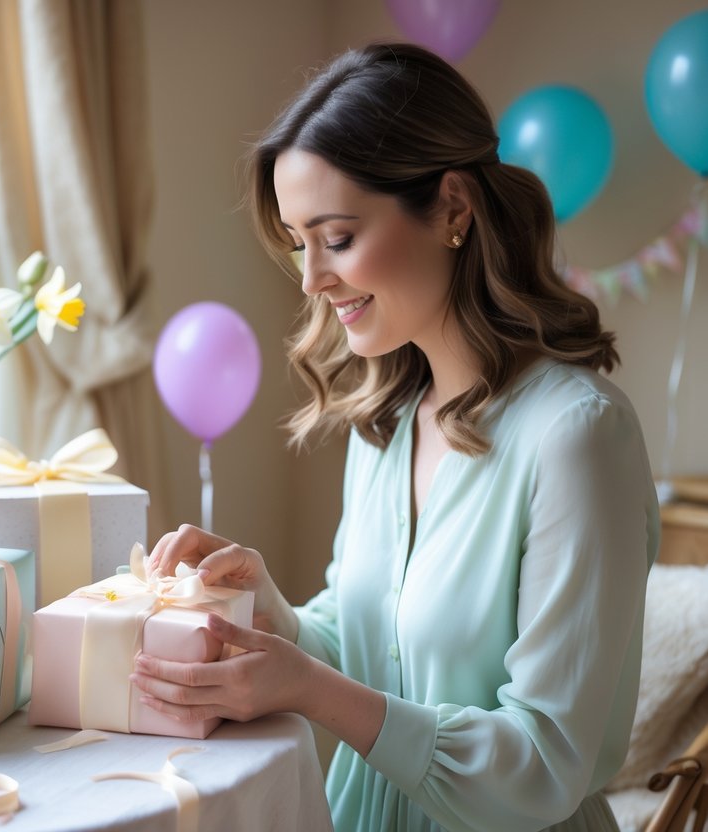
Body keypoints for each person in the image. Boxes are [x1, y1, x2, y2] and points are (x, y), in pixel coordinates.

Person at [134, 42, 660, 831]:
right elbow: (374, 651)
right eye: (296, 243)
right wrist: (265, 606)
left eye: (336, 237)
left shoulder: (577, 437)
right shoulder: (385, 423)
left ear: (451, 208)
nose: (310, 279)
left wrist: (305, 688)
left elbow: (543, 763)